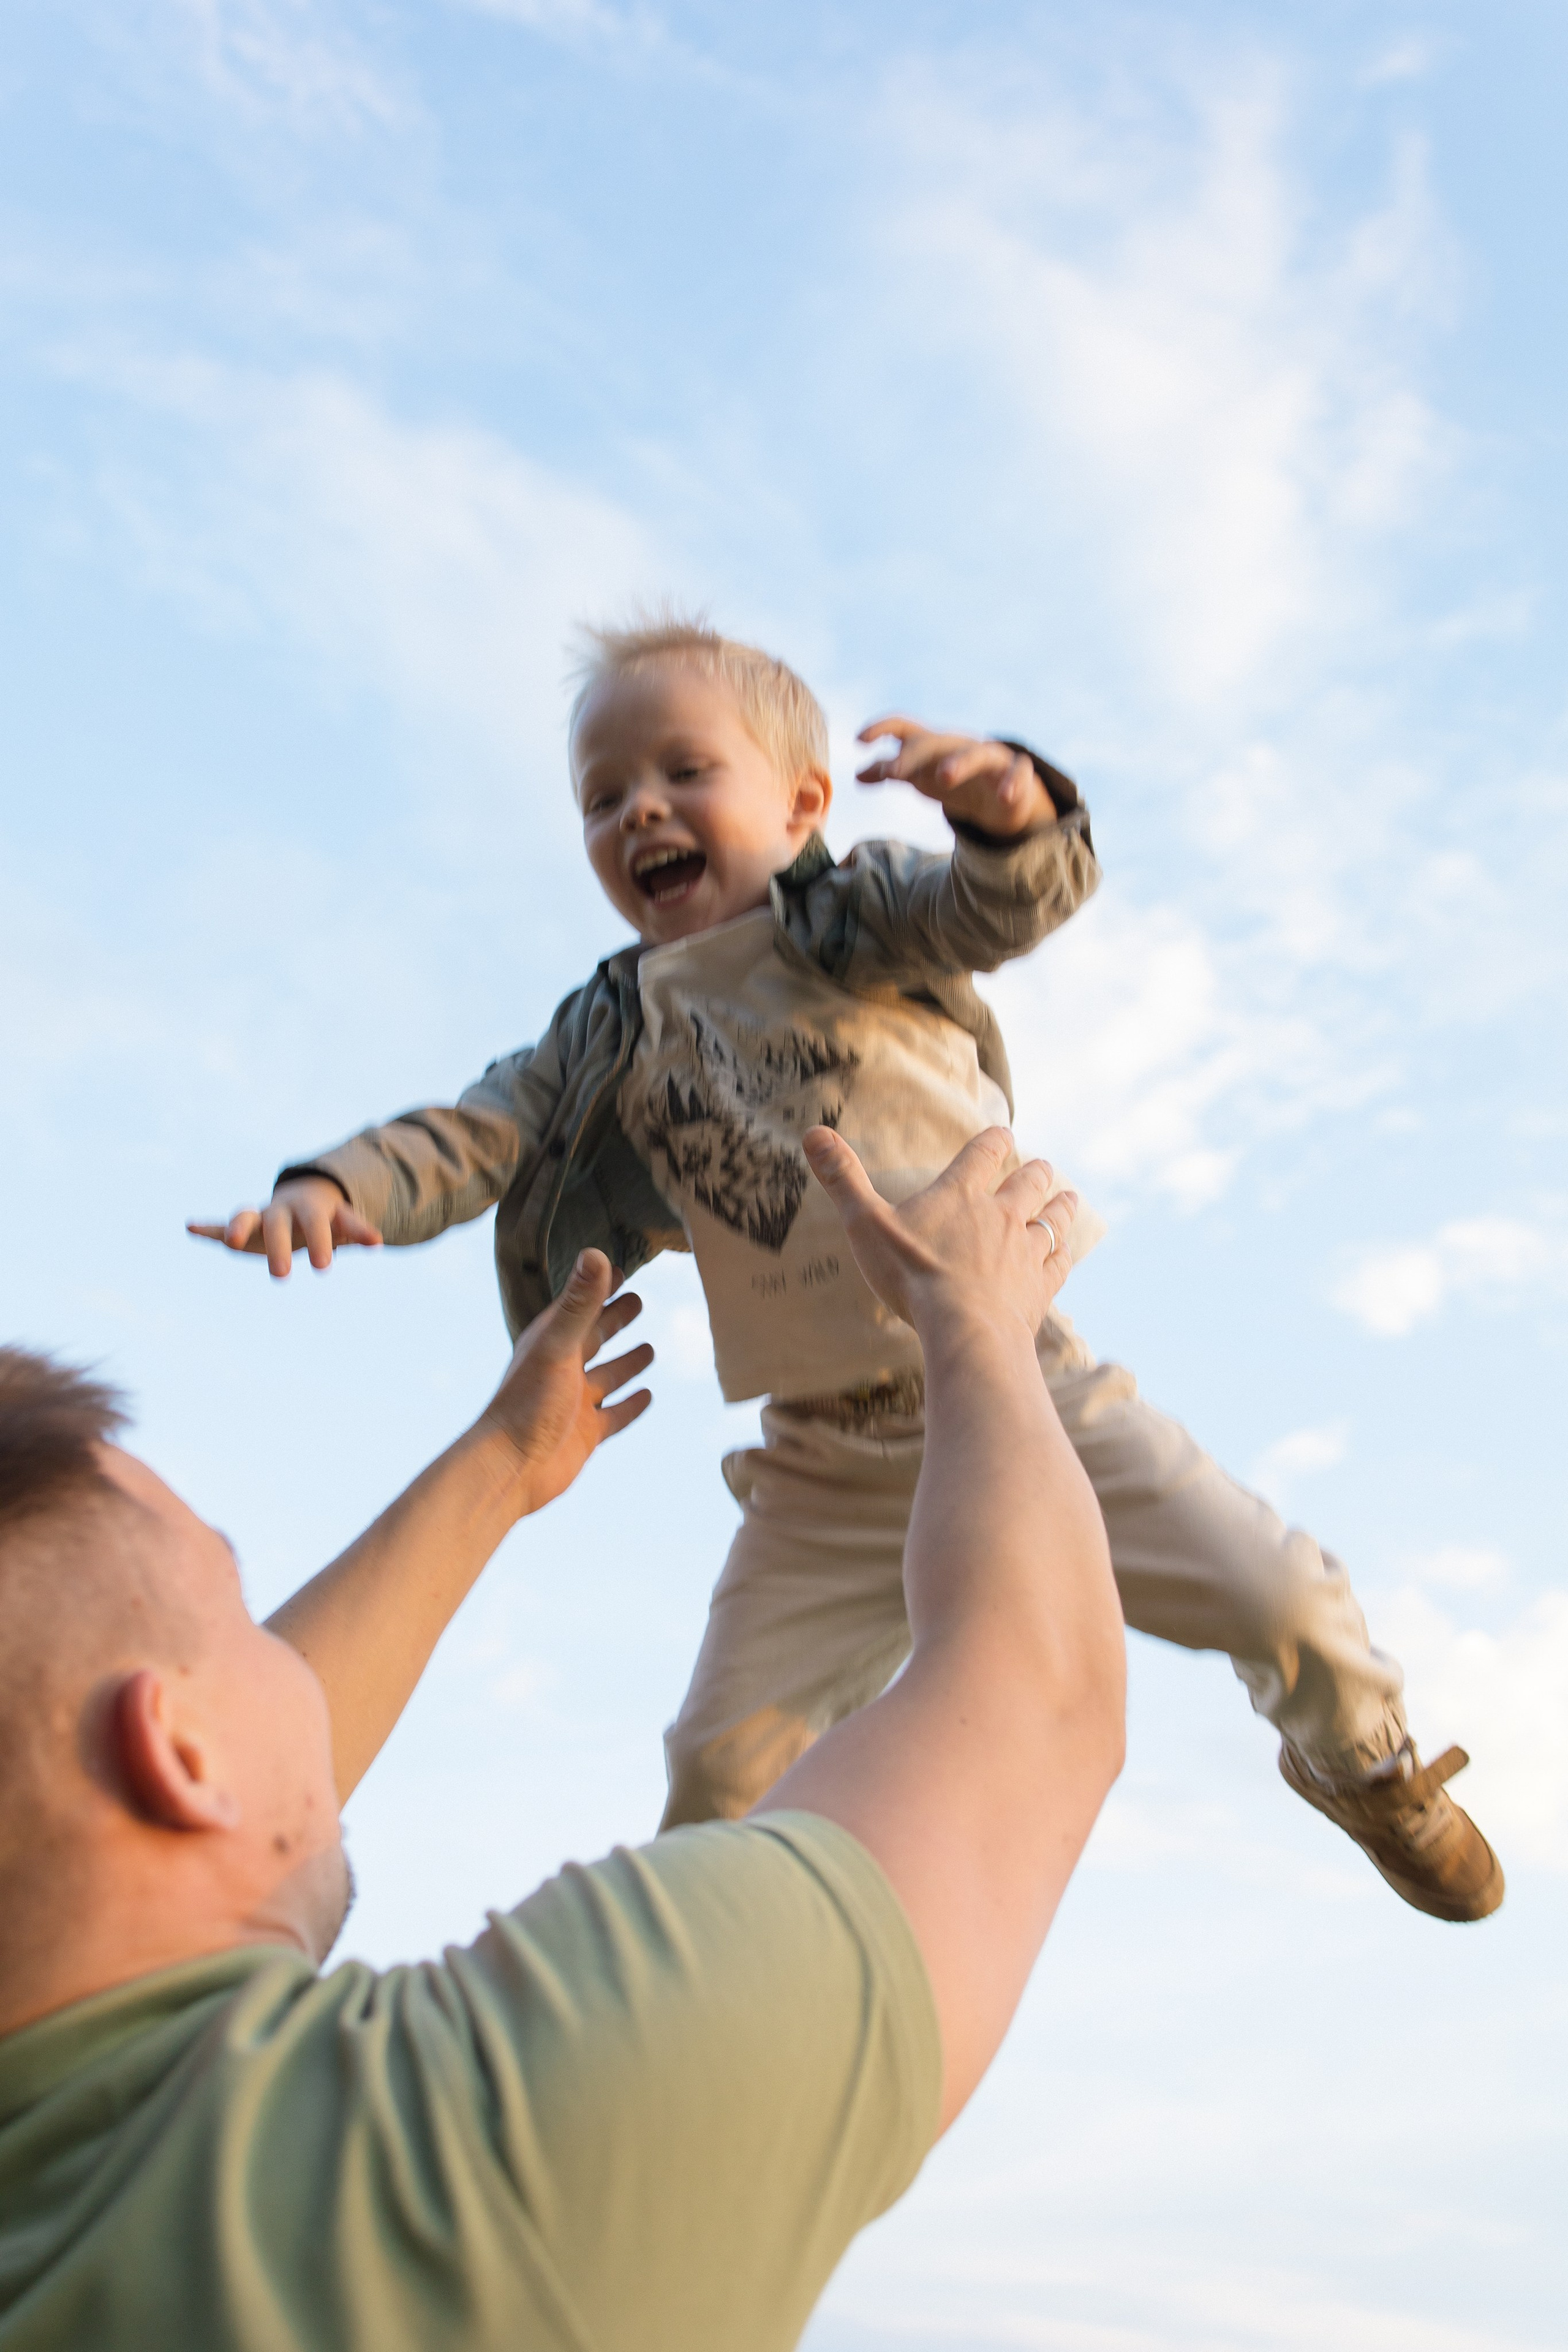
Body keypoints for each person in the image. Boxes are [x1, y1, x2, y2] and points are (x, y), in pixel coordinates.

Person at [191, 616, 1502, 1923]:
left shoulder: (853, 922)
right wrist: (337, 1187)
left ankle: (1366, 1767)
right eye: (603, 797)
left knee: (1281, 1598)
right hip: (825, 1459)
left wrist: (1007, 810)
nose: (640, 810)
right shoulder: (604, 1036)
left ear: (802, 804)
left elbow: (987, 906)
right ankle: (719, 1965)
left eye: (684, 772)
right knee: (719, 1764)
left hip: (1018, 1395)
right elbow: (480, 1132)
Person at [1, 1131, 1121, 2351]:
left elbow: (201, 1787)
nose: (293, 1664)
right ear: (179, 1755)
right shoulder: (466, 2160)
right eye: (240, 1612)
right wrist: (975, 1318)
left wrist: (502, 1466)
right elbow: (1041, 1697)